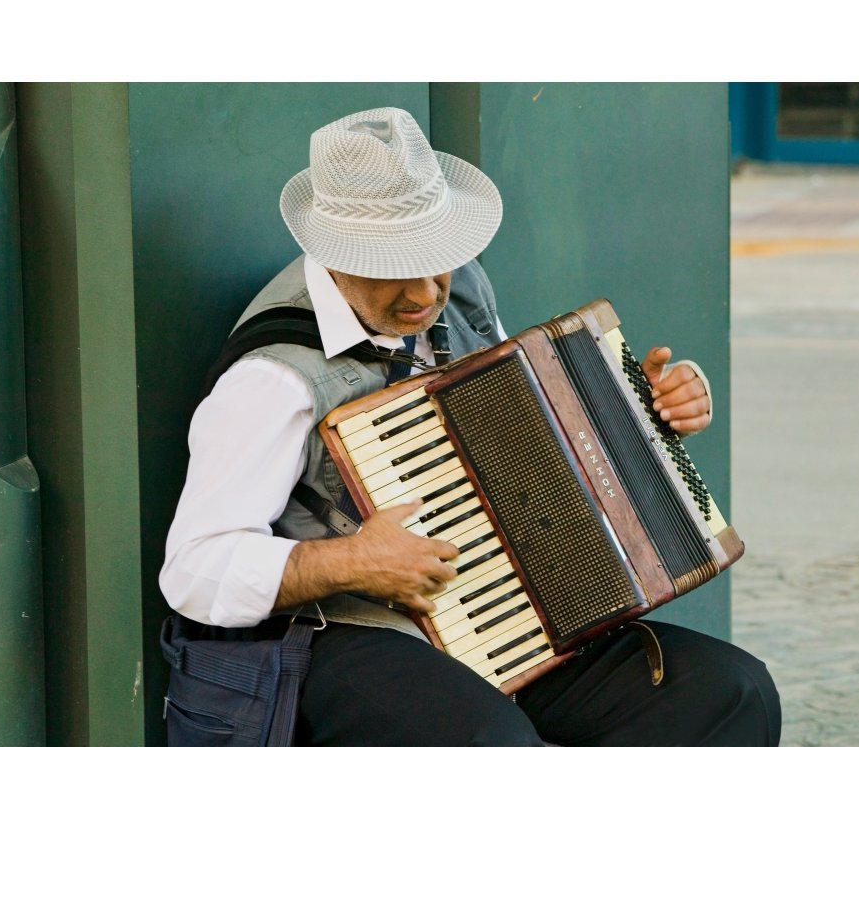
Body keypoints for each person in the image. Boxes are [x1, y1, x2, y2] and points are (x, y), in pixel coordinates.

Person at [160, 106, 781, 746]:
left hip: (504, 615)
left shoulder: (459, 295)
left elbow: (529, 431)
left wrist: (648, 413)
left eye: (440, 260)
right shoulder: (274, 379)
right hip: (345, 630)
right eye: (394, 266)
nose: (426, 294)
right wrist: (351, 561)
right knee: (491, 747)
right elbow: (194, 570)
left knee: (732, 692)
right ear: (333, 256)